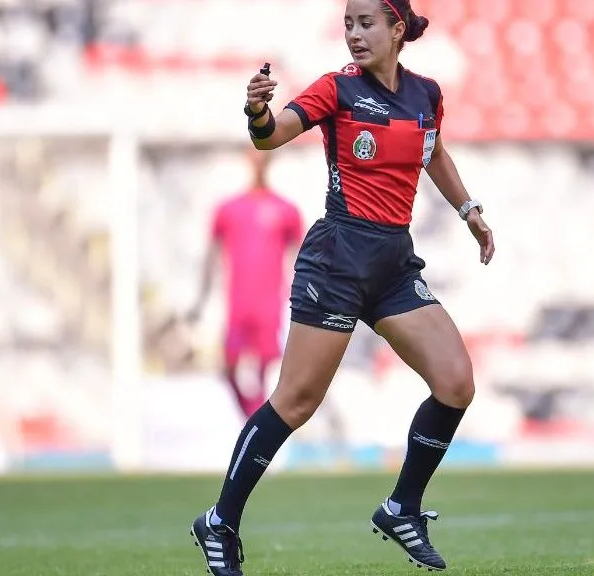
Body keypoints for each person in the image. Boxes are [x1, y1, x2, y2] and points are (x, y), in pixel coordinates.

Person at [189, 0, 495, 574]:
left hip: (393, 264)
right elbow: (271, 136)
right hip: (338, 259)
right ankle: (220, 520)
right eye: (348, 24)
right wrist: (257, 114)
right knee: (297, 400)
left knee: (455, 382)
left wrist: (469, 209)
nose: (354, 34)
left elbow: (434, 154)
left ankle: (402, 506)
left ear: (397, 29)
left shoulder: (426, 95)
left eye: (366, 23)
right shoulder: (337, 89)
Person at [187, 147, 303, 419]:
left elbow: (300, 256)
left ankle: (256, 431)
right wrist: (200, 300)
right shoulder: (227, 209)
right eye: (254, 159)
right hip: (237, 304)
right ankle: (252, 419)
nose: (258, 164)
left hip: (268, 306)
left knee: (263, 370)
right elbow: (211, 256)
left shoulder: (285, 210)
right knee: (228, 367)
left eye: (263, 159)